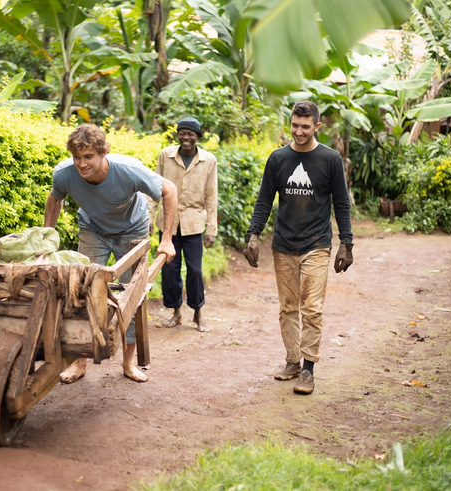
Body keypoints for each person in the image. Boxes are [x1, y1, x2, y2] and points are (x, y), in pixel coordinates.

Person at [44, 124, 177, 383]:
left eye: (88, 157)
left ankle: (128, 364)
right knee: (82, 290)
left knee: (132, 295)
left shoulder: (128, 170)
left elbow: (169, 190)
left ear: (104, 152)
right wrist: (46, 236)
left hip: (132, 230)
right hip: (93, 229)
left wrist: (167, 239)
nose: (82, 164)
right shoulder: (64, 174)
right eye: (77, 157)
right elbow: (54, 198)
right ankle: (80, 363)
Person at [242, 101, 354, 395]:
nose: (299, 131)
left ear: (317, 126)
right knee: (288, 308)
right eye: (295, 125)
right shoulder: (278, 159)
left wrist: (346, 243)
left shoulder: (330, 159)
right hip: (283, 245)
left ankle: (309, 368)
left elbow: (341, 203)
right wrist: (253, 234)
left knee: (312, 309)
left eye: (305, 126)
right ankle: (292, 361)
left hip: (317, 244)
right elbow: (264, 200)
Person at [148, 117, 217, 333]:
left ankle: (197, 314)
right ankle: (176, 313)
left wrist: (211, 229)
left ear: (197, 136)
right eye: (182, 133)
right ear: (178, 135)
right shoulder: (165, 156)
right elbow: (154, 188)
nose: (186, 137)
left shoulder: (208, 160)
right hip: (167, 223)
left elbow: (211, 195)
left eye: (191, 133)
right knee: (170, 269)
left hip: (194, 224)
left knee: (195, 270)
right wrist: (149, 218)